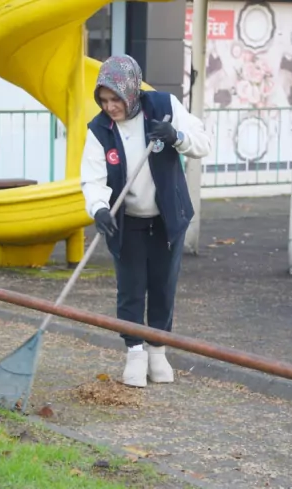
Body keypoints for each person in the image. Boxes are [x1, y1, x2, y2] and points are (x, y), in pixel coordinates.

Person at [80, 55, 211, 388]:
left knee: (163, 286)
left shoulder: (163, 106)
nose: (110, 107)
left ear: (132, 91)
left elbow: (203, 144)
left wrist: (175, 135)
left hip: (167, 217)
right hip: (128, 221)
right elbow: (92, 179)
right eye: (104, 100)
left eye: (116, 99)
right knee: (131, 288)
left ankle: (158, 350)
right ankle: (135, 352)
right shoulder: (99, 130)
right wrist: (98, 209)